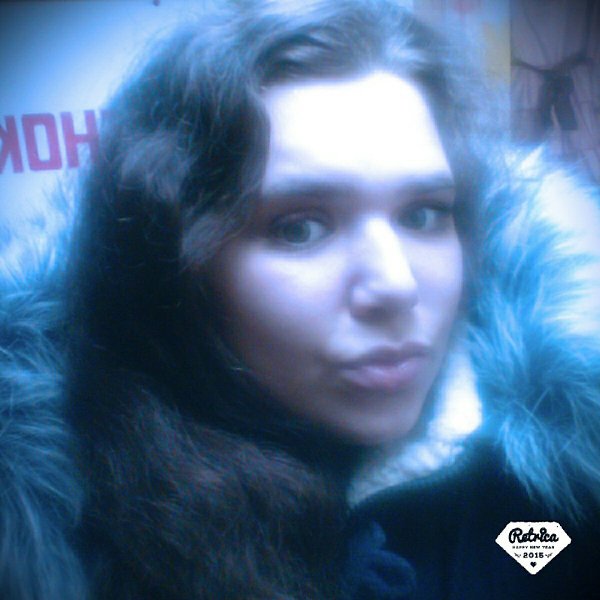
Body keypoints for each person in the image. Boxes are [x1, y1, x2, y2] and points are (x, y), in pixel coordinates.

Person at [1, 1, 600, 598]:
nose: (396, 286)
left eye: (423, 214)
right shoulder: (59, 542)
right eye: (300, 228)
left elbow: (543, 558)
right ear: (176, 267)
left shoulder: (550, 471)